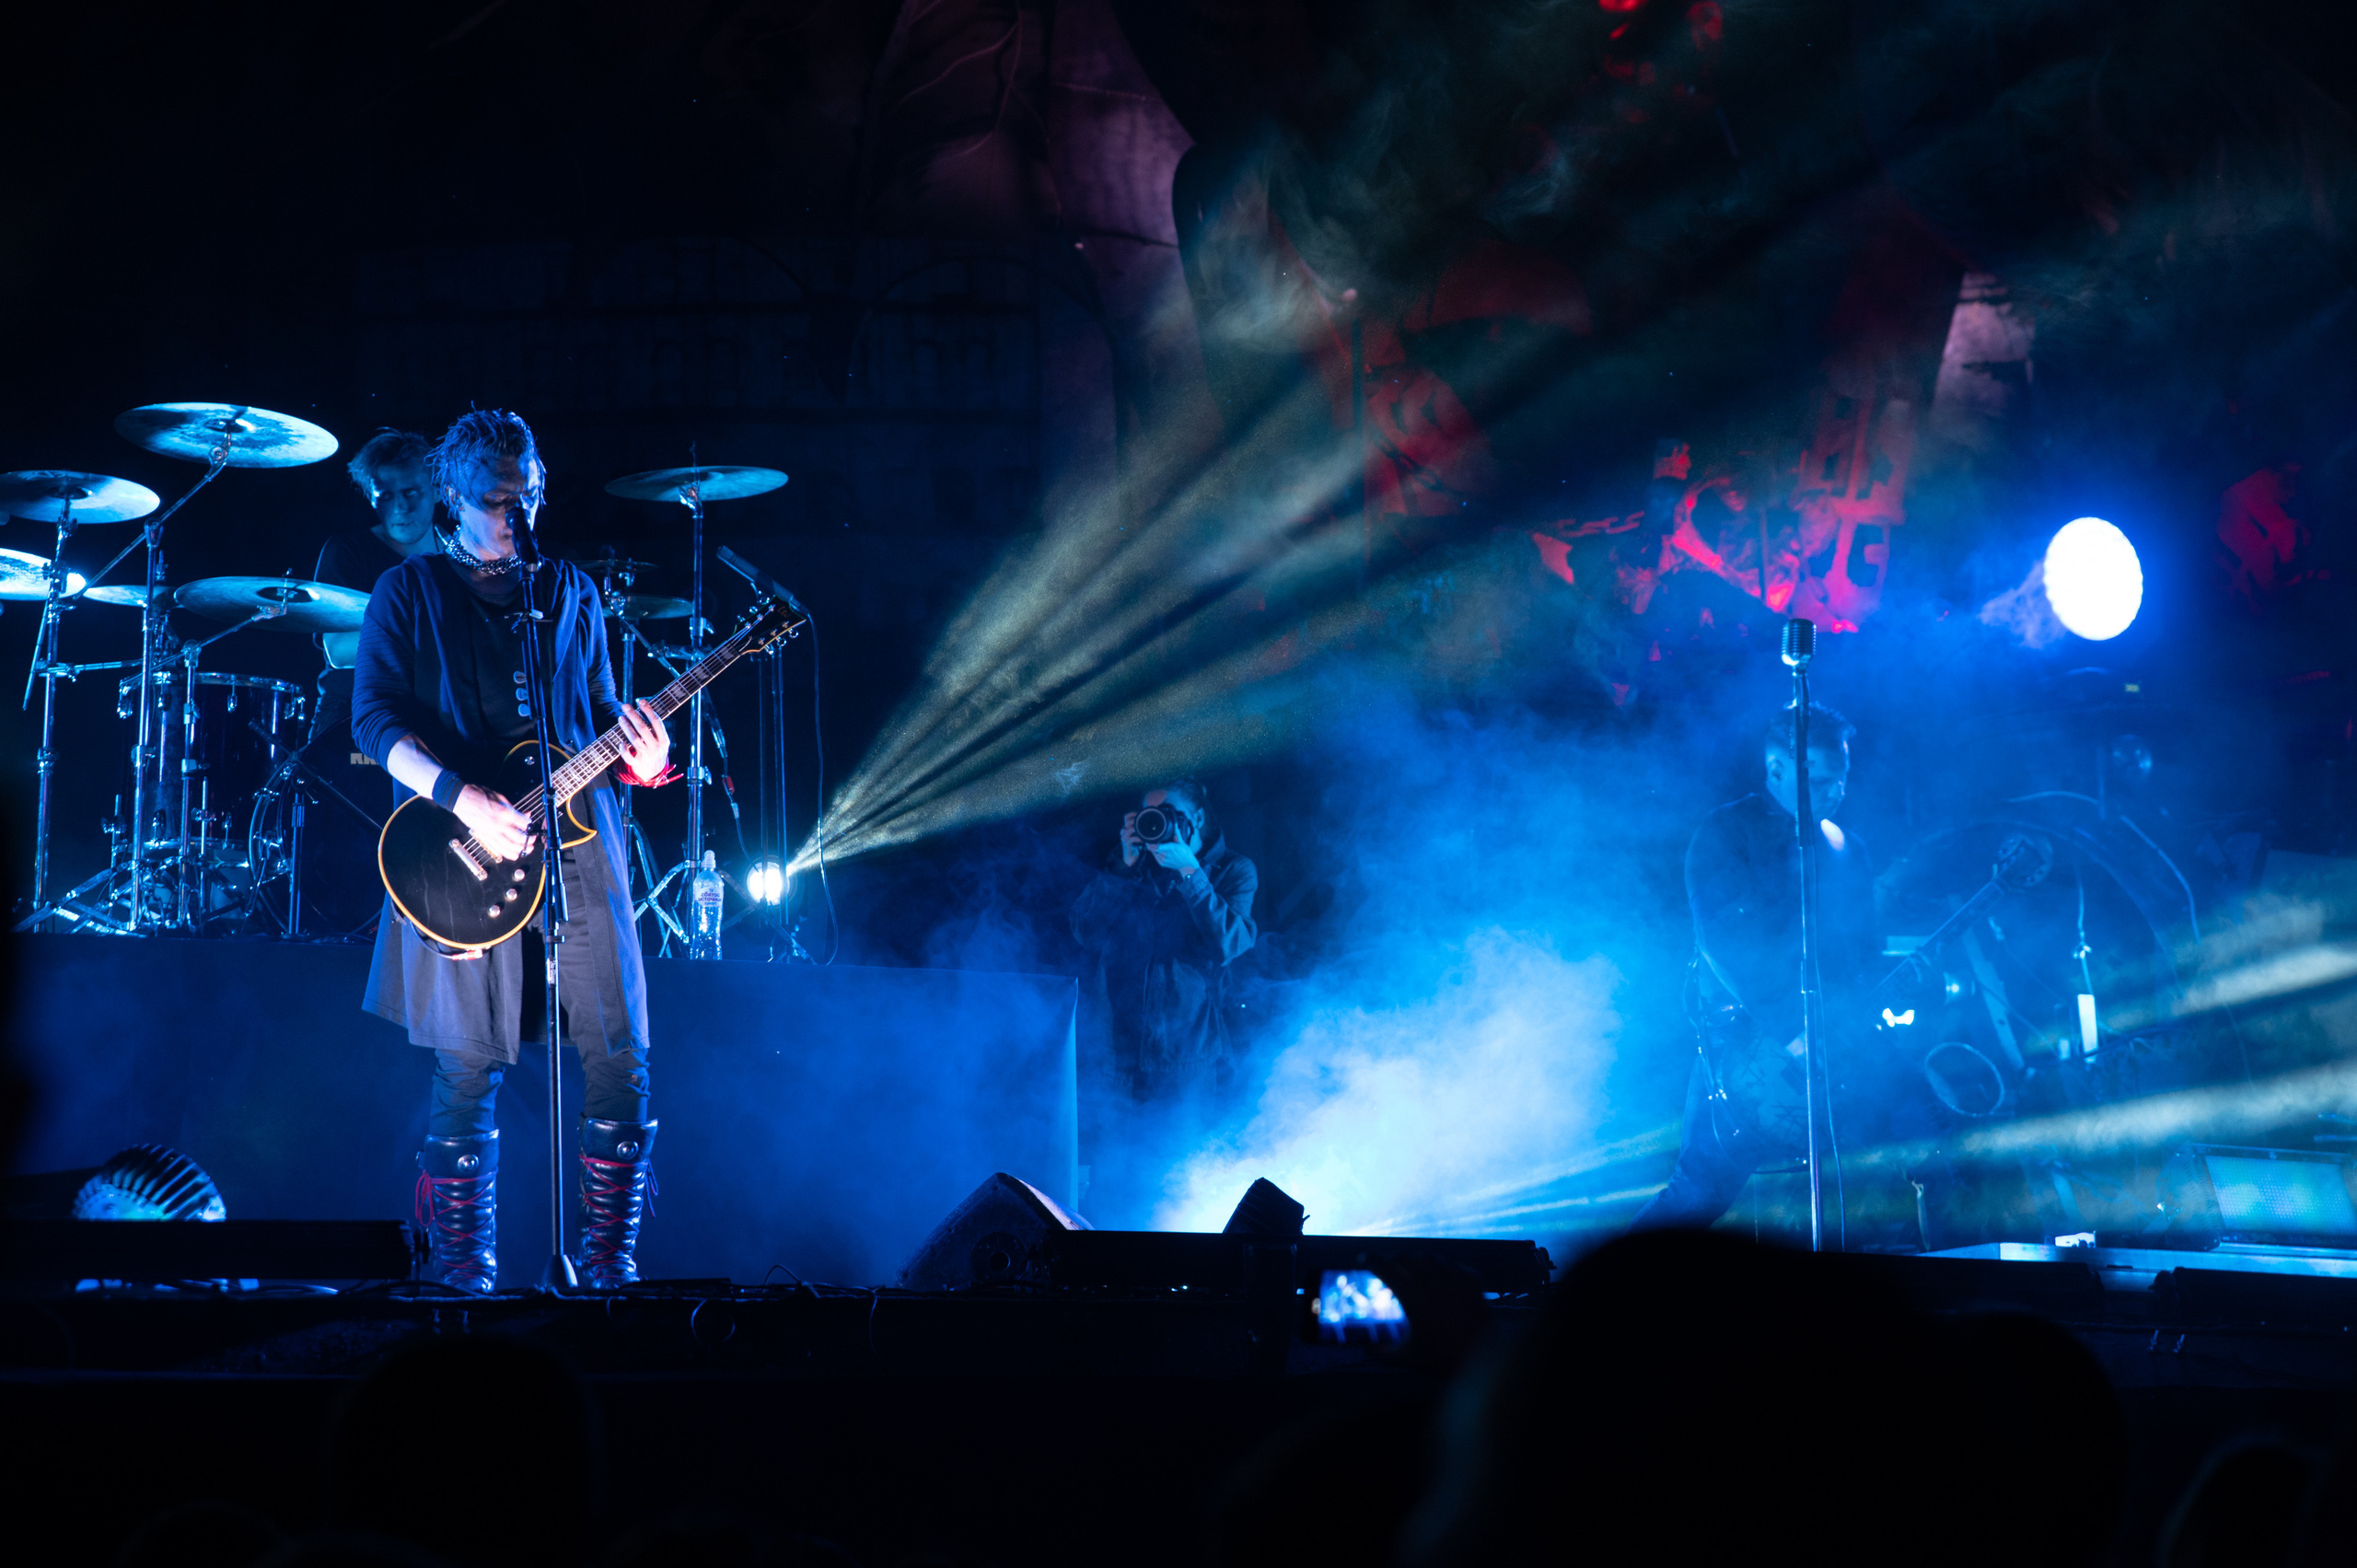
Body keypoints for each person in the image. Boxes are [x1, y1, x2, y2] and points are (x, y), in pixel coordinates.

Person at [351, 409, 675, 1292]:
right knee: (469, 1060)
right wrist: (462, 796)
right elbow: (373, 722)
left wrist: (644, 758)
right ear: (453, 499)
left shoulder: (570, 591)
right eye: (499, 500)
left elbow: (600, 712)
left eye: (529, 495)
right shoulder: (408, 591)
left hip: (579, 842)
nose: (519, 514)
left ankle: (608, 1272)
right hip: (462, 843)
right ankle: (464, 1277)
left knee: (622, 1052)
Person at [1629, 703, 1880, 1233]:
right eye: (1823, 780)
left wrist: (1870, 1009)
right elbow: (1726, 944)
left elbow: (1863, 950)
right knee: (1700, 1190)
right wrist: (1791, 1030)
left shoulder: (1847, 848)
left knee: (1926, 1145)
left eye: (1843, 779)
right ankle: (1610, 1281)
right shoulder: (1727, 831)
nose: (1837, 792)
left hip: (1835, 1044)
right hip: (1743, 1044)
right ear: (1776, 769)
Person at [1071, 781, 1258, 1104]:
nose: (1158, 822)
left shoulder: (1232, 870)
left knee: (1181, 1139)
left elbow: (1229, 944)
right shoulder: (1129, 866)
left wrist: (1190, 872)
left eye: (1168, 813)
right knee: (1110, 1137)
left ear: (1197, 818)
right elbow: (1086, 932)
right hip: (1116, 1056)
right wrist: (1122, 871)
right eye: (1150, 814)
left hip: (1186, 1058)